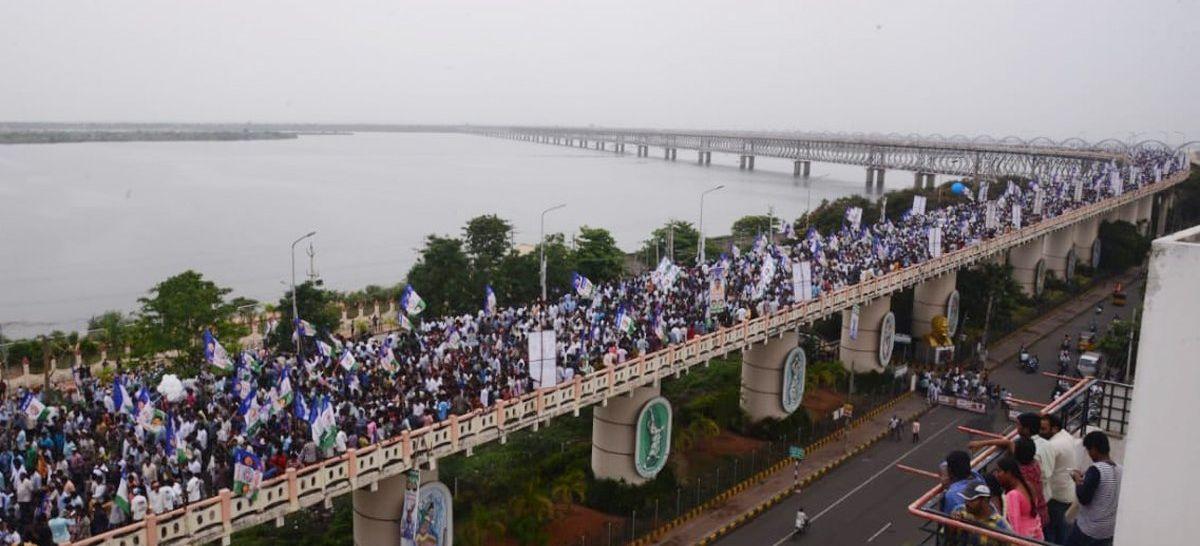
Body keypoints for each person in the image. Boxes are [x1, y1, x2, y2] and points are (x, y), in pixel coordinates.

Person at [1067, 431, 1121, 546]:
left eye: (1089, 450)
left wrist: (1077, 480)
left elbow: (1084, 498)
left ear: (1094, 449)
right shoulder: (1120, 469)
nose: (1089, 454)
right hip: (1109, 531)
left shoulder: (1096, 469)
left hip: (1089, 530)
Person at [1041, 413, 1076, 543]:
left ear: (1054, 429)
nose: (1040, 432)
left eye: (1043, 429)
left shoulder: (1052, 446)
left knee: (1050, 533)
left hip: (1055, 496)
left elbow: (1044, 472)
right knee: (1062, 531)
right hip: (1066, 492)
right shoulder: (1066, 436)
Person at [993, 457, 1044, 540]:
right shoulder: (1028, 485)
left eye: (999, 471)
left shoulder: (1013, 495)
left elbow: (1014, 526)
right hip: (1036, 536)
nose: (996, 475)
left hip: (1023, 539)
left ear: (1009, 473)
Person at [949, 480, 1013, 545]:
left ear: (984, 500)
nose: (966, 503)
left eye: (971, 500)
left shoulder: (1000, 525)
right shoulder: (959, 511)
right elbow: (946, 539)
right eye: (966, 499)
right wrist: (952, 528)